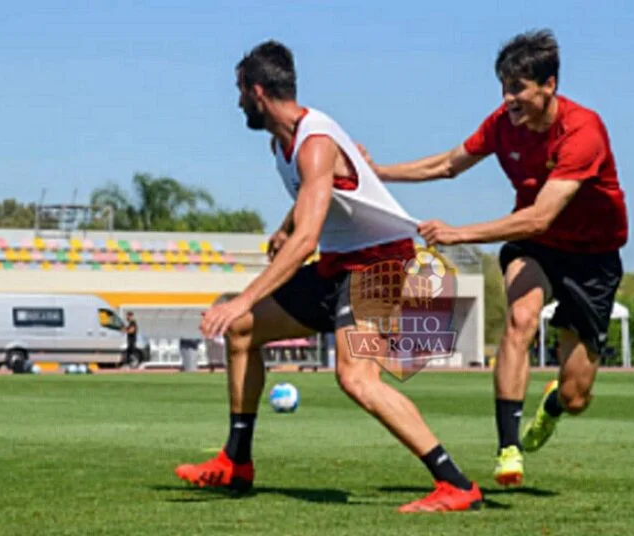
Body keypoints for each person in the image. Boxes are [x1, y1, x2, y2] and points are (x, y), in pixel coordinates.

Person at [174, 40, 483, 513]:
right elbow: (312, 203)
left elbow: (307, 238)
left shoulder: (314, 143)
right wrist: (282, 227)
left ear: (257, 92)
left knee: (355, 378)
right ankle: (236, 462)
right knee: (243, 330)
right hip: (341, 266)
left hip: (383, 266)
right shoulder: (284, 143)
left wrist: (242, 296)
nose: (237, 103)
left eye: (239, 92)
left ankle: (455, 483)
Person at [361, 29, 628, 487]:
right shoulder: (503, 124)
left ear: (549, 85)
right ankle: (509, 447)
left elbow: (542, 215)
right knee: (520, 319)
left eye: (518, 88)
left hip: (592, 259)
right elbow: (448, 164)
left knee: (577, 393)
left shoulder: (584, 131)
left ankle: (552, 406)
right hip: (537, 248)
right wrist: (377, 172)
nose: (508, 98)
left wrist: (460, 233)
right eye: (503, 88)